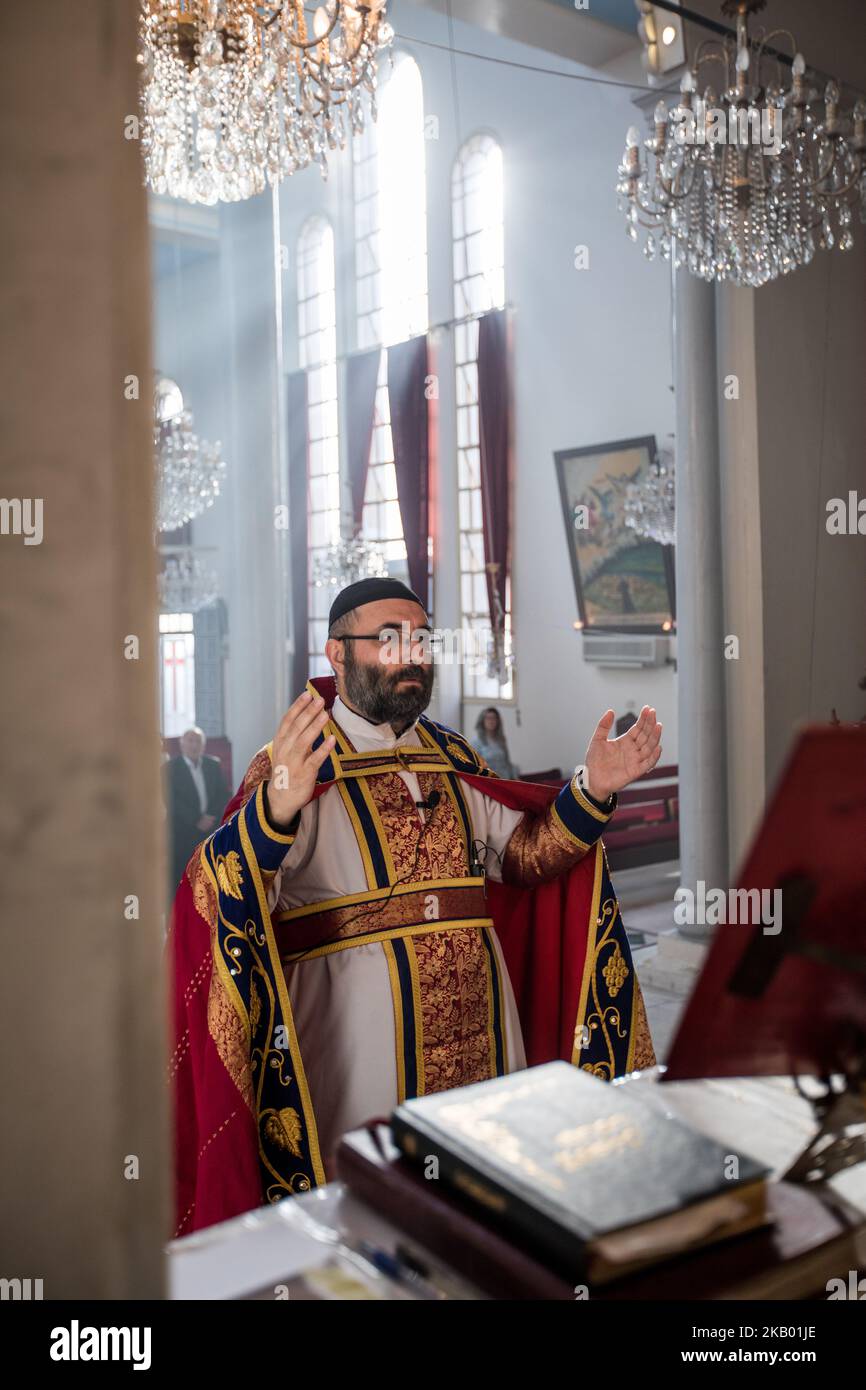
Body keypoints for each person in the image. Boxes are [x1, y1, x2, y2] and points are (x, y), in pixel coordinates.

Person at [169, 578, 662, 1234]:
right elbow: (225, 890)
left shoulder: (452, 755)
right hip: (352, 1048)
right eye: (390, 639)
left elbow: (524, 858)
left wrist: (591, 789)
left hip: (482, 1037)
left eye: (424, 639)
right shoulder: (294, 763)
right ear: (337, 653)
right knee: (377, 1222)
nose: (413, 654)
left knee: (485, 1209)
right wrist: (277, 808)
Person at [163, 726, 229, 898]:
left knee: (207, 877)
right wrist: (196, 819)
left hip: (209, 831)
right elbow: (170, 798)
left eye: (198, 741)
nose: (194, 745)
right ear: (182, 743)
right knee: (181, 880)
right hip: (182, 833)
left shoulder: (213, 764)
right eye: (190, 740)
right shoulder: (170, 768)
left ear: (203, 745)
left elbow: (223, 794)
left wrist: (209, 817)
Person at [472, 706, 519, 779]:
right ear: (482, 721)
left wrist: (515, 779)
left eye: (494, 718)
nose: (491, 721)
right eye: (488, 718)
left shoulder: (501, 740)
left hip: (504, 779)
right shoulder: (476, 742)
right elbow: (475, 768)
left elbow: (507, 762)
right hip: (488, 782)